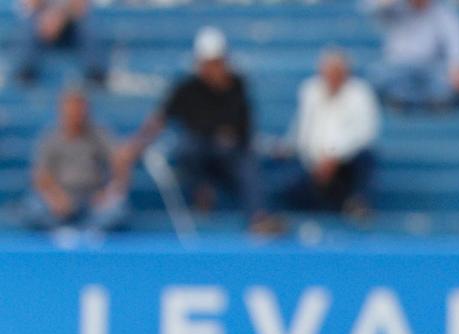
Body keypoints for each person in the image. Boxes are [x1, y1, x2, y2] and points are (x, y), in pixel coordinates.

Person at [121, 28, 277, 233]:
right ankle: (201, 192)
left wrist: (229, 138)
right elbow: (159, 120)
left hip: (230, 155)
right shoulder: (187, 88)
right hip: (199, 154)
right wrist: (135, 146)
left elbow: (243, 129)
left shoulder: (237, 85)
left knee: (247, 162)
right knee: (188, 147)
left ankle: (258, 217)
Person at [283, 48, 380, 217]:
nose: (332, 77)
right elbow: (303, 131)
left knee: (367, 158)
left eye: (337, 72)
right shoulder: (310, 90)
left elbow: (365, 133)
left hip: (346, 162)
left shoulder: (360, 93)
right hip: (315, 163)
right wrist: (316, 161)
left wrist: (334, 157)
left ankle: (357, 203)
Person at [21, 85, 127, 232]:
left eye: (80, 107)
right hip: (61, 194)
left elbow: (119, 162)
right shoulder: (49, 137)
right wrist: (56, 197)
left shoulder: (100, 134)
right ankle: (61, 233)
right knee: (34, 208)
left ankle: (90, 233)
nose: (76, 113)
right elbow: (40, 175)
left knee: (115, 210)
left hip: (92, 197)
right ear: (62, 110)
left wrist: (107, 192)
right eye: (71, 108)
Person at [365, 0, 459, 109]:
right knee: (377, 76)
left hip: (431, 69)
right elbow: (371, 7)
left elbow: (458, 47)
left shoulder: (444, 13)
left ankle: (424, 103)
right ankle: (403, 101)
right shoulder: (394, 9)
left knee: (448, 83)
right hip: (397, 69)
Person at [11, 0, 106, 85]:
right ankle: (23, 75)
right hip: (42, 19)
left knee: (87, 28)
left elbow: (81, 6)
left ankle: (95, 75)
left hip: (71, 22)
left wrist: (61, 15)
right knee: (29, 28)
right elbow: (29, 5)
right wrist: (47, 16)